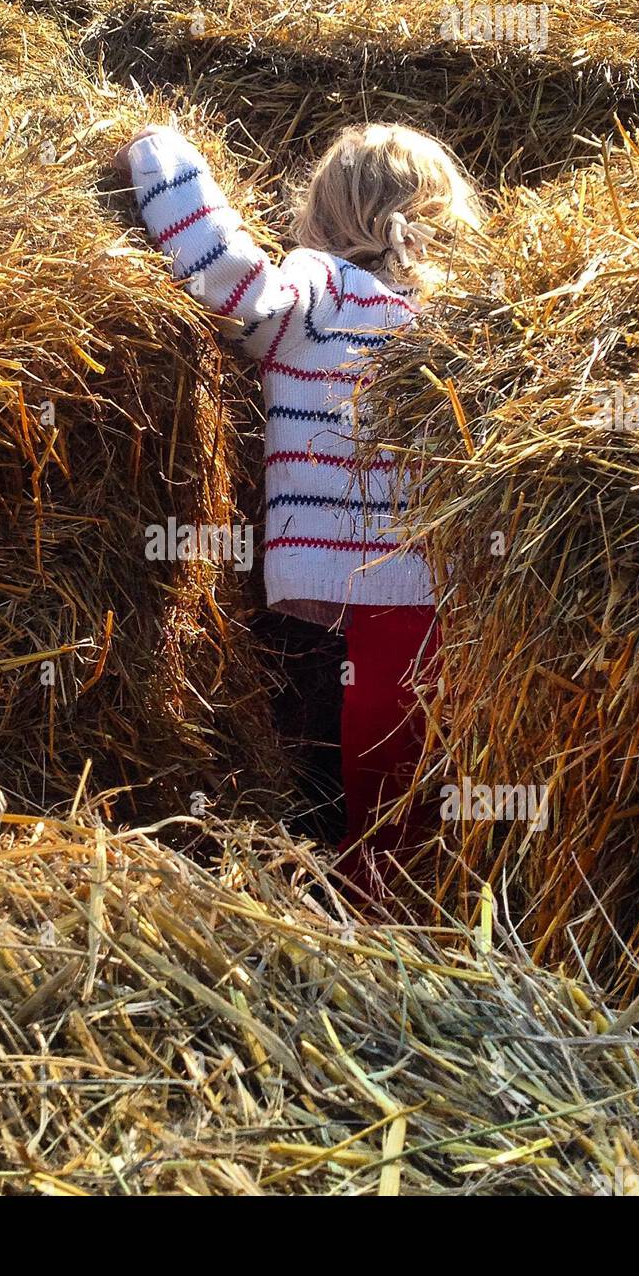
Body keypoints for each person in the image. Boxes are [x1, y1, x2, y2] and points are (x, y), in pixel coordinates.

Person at [118, 121, 484, 894]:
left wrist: (162, 157)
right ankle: (406, 905)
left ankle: (380, 916)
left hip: (388, 585)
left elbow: (224, 277)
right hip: (455, 582)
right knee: (410, 761)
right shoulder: (466, 314)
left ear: (321, 214)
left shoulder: (317, 292)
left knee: (386, 763)